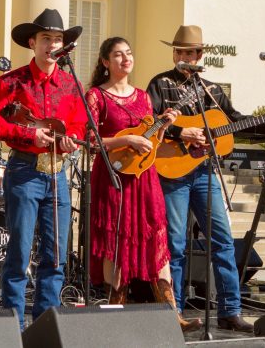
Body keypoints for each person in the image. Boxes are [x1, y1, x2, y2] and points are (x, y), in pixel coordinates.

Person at [146, 25, 265, 333]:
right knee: (176, 243)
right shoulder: (160, 84)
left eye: (190, 52)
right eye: (179, 51)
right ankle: (175, 313)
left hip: (205, 172)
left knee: (223, 240)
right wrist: (179, 131)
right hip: (171, 171)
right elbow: (149, 122)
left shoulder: (213, 89)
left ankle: (229, 311)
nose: (184, 56)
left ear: (200, 55)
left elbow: (235, 122)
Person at [0, 8, 87, 330]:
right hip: (24, 171)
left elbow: (80, 124)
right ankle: (12, 326)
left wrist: (73, 139)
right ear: (33, 42)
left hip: (57, 174)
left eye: (58, 39)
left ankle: (45, 326)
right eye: (46, 39)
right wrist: (27, 134)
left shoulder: (70, 83)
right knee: (19, 253)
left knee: (56, 256)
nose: (52, 45)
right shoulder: (11, 81)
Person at [87, 37, 201, 332]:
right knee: (116, 241)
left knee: (156, 238)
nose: (125, 59)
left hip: (144, 178)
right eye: (118, 54)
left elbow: (151, 140)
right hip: (112, 176)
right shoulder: (96, 96)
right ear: (105, 62)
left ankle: (171, 314)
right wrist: (126, 140)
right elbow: (90, 141)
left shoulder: (142, 96)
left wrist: (163, 125)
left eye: (129, 53)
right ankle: (114, 311)